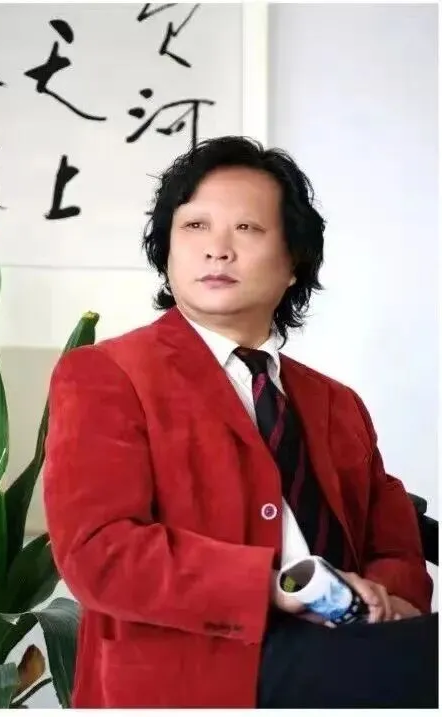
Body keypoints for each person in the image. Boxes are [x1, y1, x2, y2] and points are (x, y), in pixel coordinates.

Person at [43, 136, 438, 708]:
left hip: (351, 646)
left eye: (247, 229)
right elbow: (99, 552)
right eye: (194, 226)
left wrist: (389, 598)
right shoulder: (106, 376)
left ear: (293, 261)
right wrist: (272, 588)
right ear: (167, 250)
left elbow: (395, 543)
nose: (217, 249)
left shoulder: (337, 403)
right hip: (198, 672)